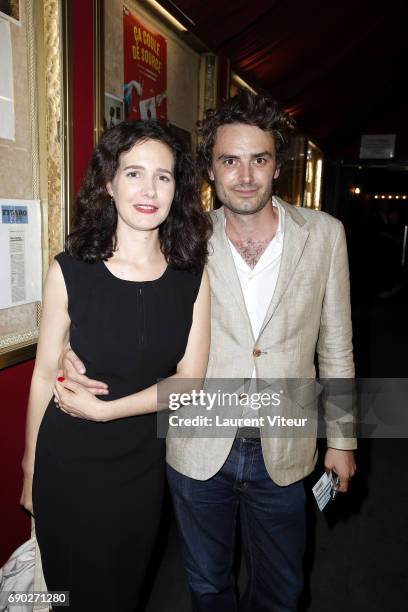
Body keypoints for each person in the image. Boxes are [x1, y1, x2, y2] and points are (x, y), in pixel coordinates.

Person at [60, 91, 357, 611]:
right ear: (210, 171)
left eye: (258, 160)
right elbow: (117, 288)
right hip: (199, 445)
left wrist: (344, 440)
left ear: (276, 167)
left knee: (284, 591)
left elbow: (337, 346)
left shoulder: (325, 235)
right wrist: (67, 343)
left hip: (286, 444)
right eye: (229, 161)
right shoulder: (185, 239)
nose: (245, 176)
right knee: (206, 586)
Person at [20, 120, 211, 611]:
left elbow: (190, 381)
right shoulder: (69, 269)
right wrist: (29, 469)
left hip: (139, 473)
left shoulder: (192, 276)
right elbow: (44, 375)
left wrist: (109, 410)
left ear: (177, 190)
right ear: (108, 183)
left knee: (122, 596)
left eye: (163, 177)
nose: (148, 190)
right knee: (66, 597)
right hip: (66, 468)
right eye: (133, 173)